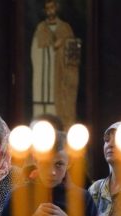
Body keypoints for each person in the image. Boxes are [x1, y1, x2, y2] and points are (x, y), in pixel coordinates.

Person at [31, 0, 80, 129]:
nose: (50, 11)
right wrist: (51, 48)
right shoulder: (41, 28)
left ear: (56, 8)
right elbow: (35, 51)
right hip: (43, 78)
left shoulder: (65, 28)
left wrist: (61, 47)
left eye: (52, 7)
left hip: (60, 77)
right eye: (47, 8)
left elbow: (72, 53)